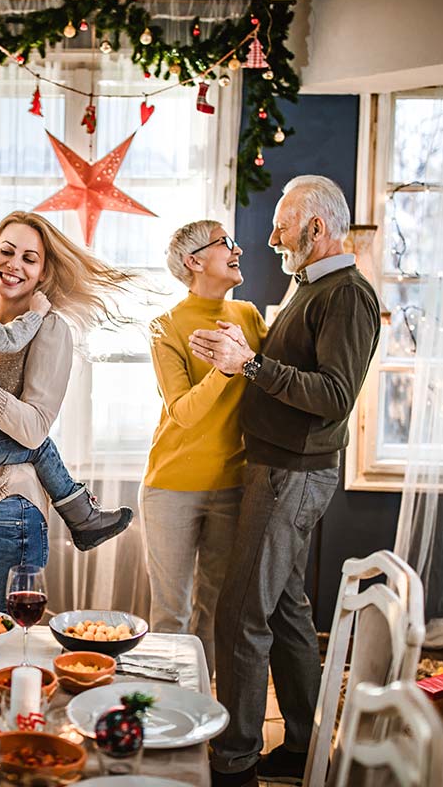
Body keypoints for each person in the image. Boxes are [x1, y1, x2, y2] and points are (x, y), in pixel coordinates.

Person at [191, 175, 380, 787]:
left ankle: (235, 760)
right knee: (289, 610)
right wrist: (247, 354)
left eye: (282, 224)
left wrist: (248, 363)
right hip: (280, 469)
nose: (271, 238)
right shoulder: (315, 287)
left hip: (291, 476)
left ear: (316, 228)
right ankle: (303, 745)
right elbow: (295, 372)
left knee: (240, 615)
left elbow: (332, 397)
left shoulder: (347, 295)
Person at [0, 211, 135, 611]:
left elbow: (33, 431)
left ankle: (79, 511)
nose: (14, 264)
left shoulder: (49, 329)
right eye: (7, 251)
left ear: (43, 274)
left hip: (3, 516)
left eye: (29, 258)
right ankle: (80, 510)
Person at [141, 220, 266, 676]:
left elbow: (274, 379)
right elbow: (184, 412)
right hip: (171, 487)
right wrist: (226, 368)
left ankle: (201, 716)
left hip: (234, 485)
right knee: (171, 614)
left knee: (213, 613)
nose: (238, 249)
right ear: (195, 261)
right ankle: (165, 709)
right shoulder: (165, 327)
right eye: (225, 243)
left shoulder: (249, 317)